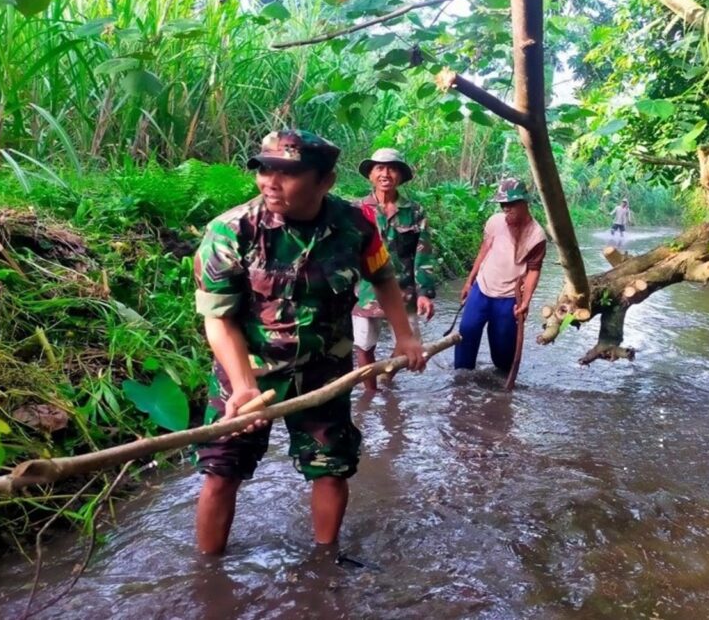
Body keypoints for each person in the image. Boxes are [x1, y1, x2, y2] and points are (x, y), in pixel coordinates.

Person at [192, 129, 425, 556]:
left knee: (331, 468)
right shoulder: (231, 231)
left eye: (288, 173)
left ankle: (325, 563)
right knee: (222, 470)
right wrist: (243, 387)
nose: (270, 182)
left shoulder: (356, 225)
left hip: (324, 371)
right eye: (264, 170)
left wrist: (406, 336)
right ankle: (207, 574)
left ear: (325, 181)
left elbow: (384, 278)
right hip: (248, 370)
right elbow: (219, 319)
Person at [352, 148, 436, 398]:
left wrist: (425, 293)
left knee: (408, 343)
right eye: (379, 168)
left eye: (391, 168)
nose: (385, 173)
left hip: (404, 290)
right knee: (363, 344)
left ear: (400, 175)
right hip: (364, 290)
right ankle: (371, 393)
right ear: (370, 175)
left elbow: (424, 253)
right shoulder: (356, 209)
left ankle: (387, 375)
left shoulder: (415, 211)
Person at [453, 177, 546, 373]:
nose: (506, 209)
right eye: (503, 204)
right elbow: (483, 250)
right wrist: (469, 282)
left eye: (511, 204)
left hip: (508, 298)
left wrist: (525, 302)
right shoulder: (495, 222)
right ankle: (460, 384)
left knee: (503, 353)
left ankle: (501, 392)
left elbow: (533, 271)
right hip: (482, 289)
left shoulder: (537, 236)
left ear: (524, 203)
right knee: (466, 333)